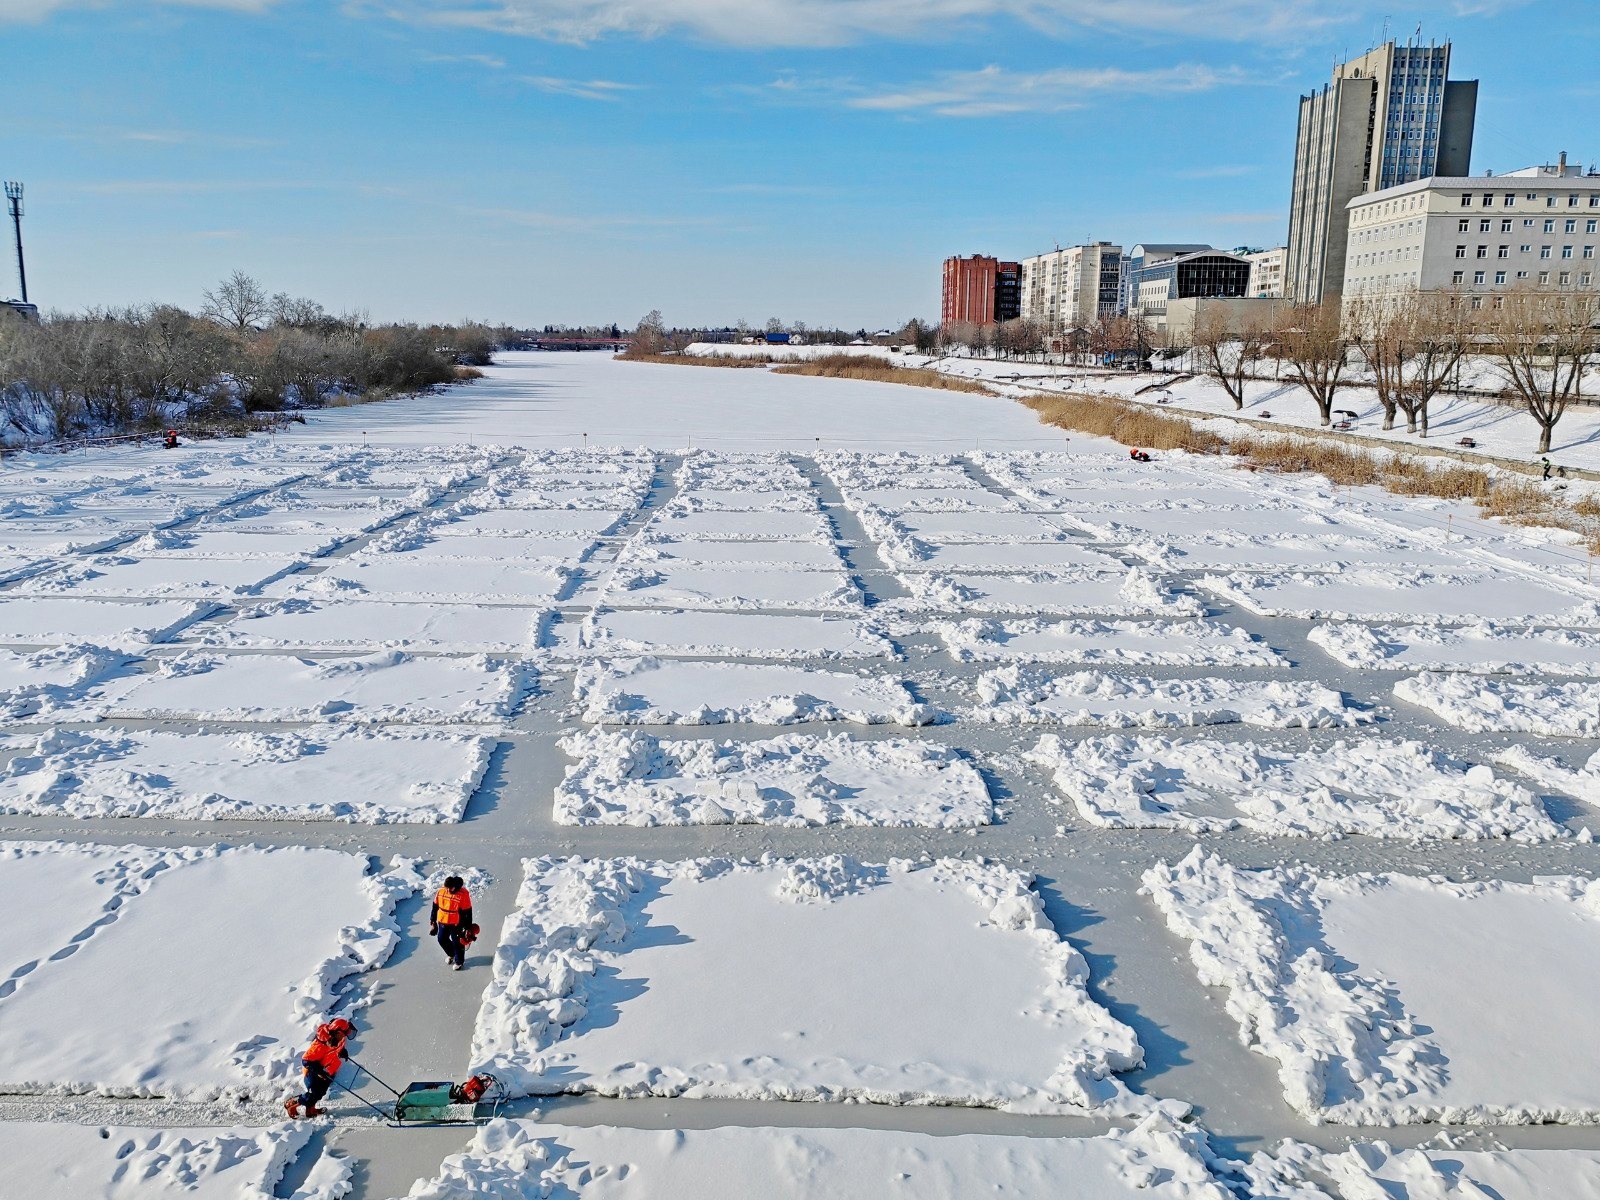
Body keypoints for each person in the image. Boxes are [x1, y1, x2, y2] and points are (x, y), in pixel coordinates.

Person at [285, 1018, 355, 1118]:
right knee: (313, 1093)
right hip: (313, 1071)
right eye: (343, 1034)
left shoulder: (340, 1038)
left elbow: (337, 1048)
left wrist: (342, 1051)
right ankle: (292, 1104)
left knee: (320, 1093)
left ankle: (310, 1110)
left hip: (329, 1070)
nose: (344, 1036)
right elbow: (306, 1060)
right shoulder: (321, 1045)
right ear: (336, 1032)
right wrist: (319, 1071)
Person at [431, 875, 474, 971]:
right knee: (441, 939)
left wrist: (468, 927)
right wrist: (432, 920)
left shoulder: (463, 894)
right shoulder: (441, 891)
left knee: (457, 943)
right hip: (442, 920)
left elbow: (468, 911)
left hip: (457, 923)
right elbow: (435, 906)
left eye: (450, 888)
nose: (448, 890)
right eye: (447, 887)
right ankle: (452, 954)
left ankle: (459, 961)